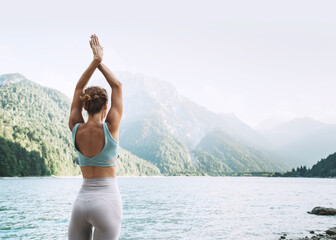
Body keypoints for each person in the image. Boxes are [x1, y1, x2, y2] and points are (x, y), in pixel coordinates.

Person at [67, 34, 123, 240]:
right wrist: (100, 62)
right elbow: (117, 85)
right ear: (106, 107)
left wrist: (94, 62)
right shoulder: (111, 128)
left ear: (84, 106)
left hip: (80, 204)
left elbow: (78, 88)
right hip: (107, 203)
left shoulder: (75, 128)